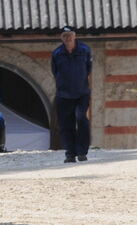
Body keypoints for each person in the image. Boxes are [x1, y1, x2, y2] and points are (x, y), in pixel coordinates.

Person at [51, 26, 92, 163]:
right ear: (61, 38)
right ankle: (70, 154)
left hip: (82, 93)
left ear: (74, 36)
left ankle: (82, 152)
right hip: (63, 95)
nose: (67, 38)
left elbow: (88, 70)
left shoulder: (85, 50)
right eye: (64, 35)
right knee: (65, 125)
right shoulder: (57, 53)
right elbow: (54, 71)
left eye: (69, 35)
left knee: (81, 119)